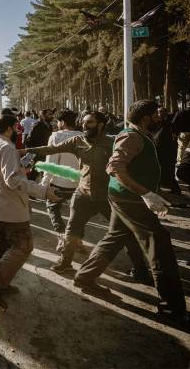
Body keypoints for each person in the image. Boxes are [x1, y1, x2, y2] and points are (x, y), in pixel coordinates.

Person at [74, 101, 190, 329]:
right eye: (156, 114)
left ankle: (85, 277)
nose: (161, 117)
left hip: (124, 197)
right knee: (159, 245)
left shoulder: (138, 134)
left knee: (115, 237)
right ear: (146, 118)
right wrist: (146, 193)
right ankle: (171, 308)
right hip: (130, 199)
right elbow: (115, 167)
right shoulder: (132, 137)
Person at [22, 111, 148, 277]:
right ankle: (64, 263)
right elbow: (51, 149)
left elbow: (129, 163)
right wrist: (24, 151)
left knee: (124, 231)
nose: (84, 126)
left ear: (101, 125)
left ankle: (141, 269)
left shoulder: (113, 142)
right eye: (83, 122)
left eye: (89, 123)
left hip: (107, 196)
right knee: (72, 229)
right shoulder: (78, 140)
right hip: (82, 194)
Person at [0, 114, 59, 310]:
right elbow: (12, 181)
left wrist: (21, 167)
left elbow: (3, 173)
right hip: (9, 208)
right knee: (23, 246)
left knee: (2, 246)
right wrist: (43, 190)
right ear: (8, 129)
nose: (18, 131)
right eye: (16, 128)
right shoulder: (6, 147)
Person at [37, 109, 81, 237]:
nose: (57, 124)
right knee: (77, 213)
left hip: (59, 183)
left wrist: (44, 185)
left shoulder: (56, 136)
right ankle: (76, 238)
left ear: (63, 122)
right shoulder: (82, 136)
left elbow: (51, 162)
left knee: (52, 207)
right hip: (78, 183)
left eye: (58, 121)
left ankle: (62, 235)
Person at [171, 100, 190, 166]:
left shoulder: (180, 112)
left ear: (188, 105)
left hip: (183, 134)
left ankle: (180, 166)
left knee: (181, 150)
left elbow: (173, 123)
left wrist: (174, 132)